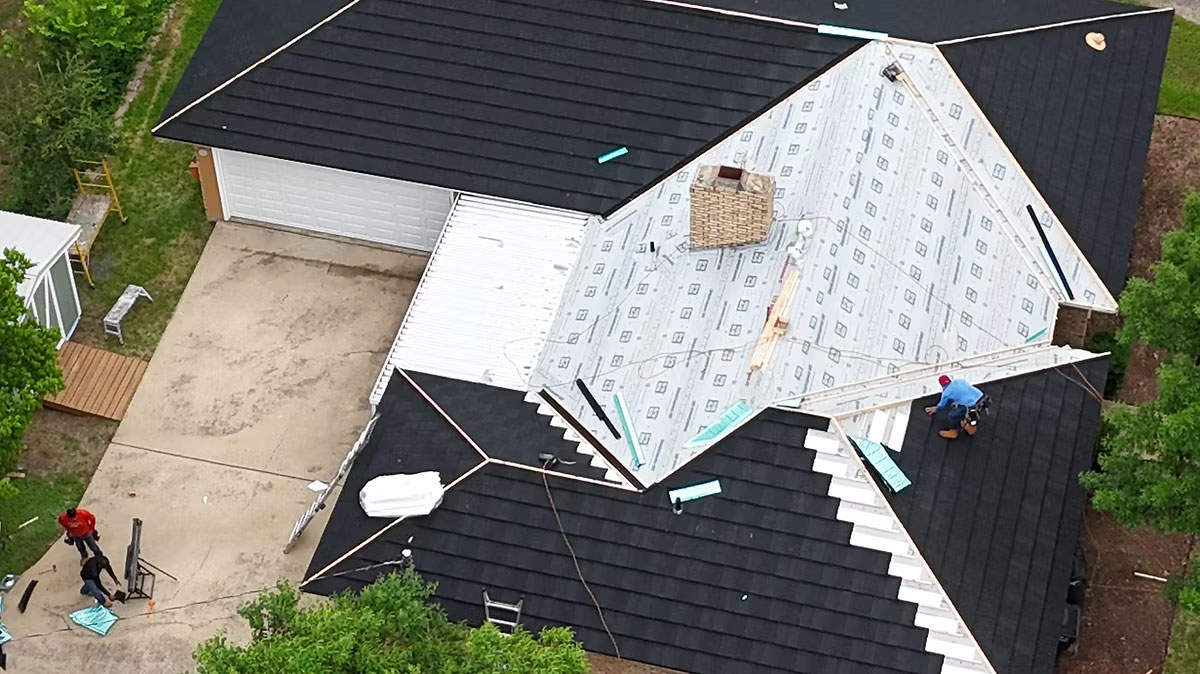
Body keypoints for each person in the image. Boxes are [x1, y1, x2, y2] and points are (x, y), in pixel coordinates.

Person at [924, 374, 986, 439]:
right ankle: (970, 427)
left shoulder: (946, 393)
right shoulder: (959, 381)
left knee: (952, 416)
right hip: (982, 398)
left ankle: (953, 432)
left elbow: (941, 405)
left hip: (972, 405)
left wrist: (935, 409)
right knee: (971, 414)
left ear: (942, 385)